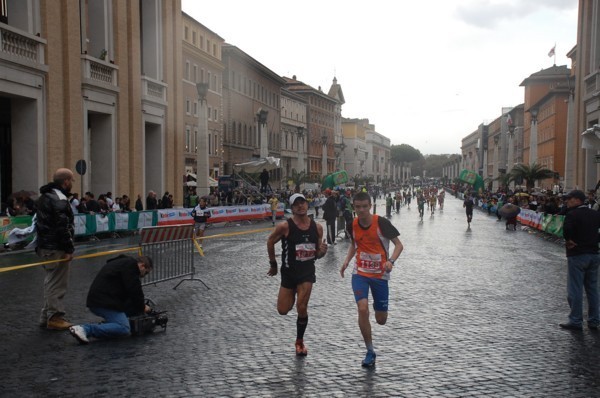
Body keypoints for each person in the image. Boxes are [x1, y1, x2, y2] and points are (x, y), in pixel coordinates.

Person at [340, 191, 403, 367]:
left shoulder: (381, 223)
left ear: (370, 206)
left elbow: (399, 245)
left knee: (381, 320)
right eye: (358, 207)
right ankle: (369, 351)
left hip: (380, 275)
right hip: (360, 273)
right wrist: (346, 261)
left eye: (364, 207)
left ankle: (380, 315)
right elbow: (354, 245)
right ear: (354, 207)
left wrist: (391, 261)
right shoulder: (352, 224)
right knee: (362, 308)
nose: (361, 210)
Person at [266, 193, 328, 356]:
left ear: (307, 206)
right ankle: (291, 293)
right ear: (292, 208)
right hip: (289, 273)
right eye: (296, 204)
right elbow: (270, 241)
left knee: (302, 306)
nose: (301, 206)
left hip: (307, 273)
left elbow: (317, 254)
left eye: (303, 203)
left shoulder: (318, 227)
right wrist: (273, 264)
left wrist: (322, 252)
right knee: (283, 310)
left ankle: (299, 341)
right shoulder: (285, 226)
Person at [68, 255, 153, 344]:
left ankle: (107, 326)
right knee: (124, 328)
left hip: (100, 298)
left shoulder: (123, 263)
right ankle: (85, 329)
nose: (143, 276)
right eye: (146, 273)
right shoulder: (131, 266)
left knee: (125, 315)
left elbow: (128, 291)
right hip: (104, 301)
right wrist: (142, 307)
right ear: (142, 266)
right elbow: (135, 290)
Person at [36, 168, 76, 330]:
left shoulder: (45, 196)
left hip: (46, 245)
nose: (72, 184)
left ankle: (46, 316)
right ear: (65, 181)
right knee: (56, 283)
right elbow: (62, 226)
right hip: (56, 247)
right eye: (72, 180)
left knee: (51, 280)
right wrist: (69, 248)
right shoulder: (59, 199)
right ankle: (55, 317)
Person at [559, 189, 600, 331]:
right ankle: (594, 320)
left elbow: (567, 230)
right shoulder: (595, 214)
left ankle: (576, 320)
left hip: (577, 254)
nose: (567, 201)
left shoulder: (572, 214)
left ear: (577, 200)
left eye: (569, 199)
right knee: (593, 289)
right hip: (594, 254)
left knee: (575, 288)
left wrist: (569, 240)